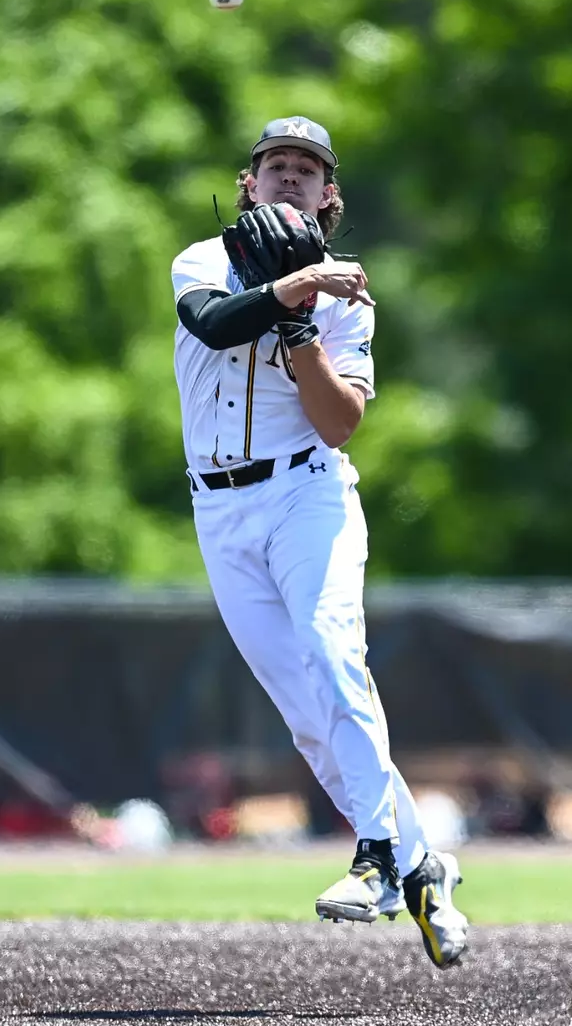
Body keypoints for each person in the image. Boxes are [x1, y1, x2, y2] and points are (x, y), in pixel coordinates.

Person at [168, 116, 470, 969]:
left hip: (306, 495)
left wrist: (305, 320)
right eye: (277, 165)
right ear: (249, 183)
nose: (291, 177)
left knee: (334, 654)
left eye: (308, 168)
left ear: (328, 193)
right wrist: (296, 286)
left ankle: (376, 856)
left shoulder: (346, 296)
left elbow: (339, 424)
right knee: (310, 722)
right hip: (219, 513)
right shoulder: (202, 260)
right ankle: (421, 866)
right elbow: (215, 324)